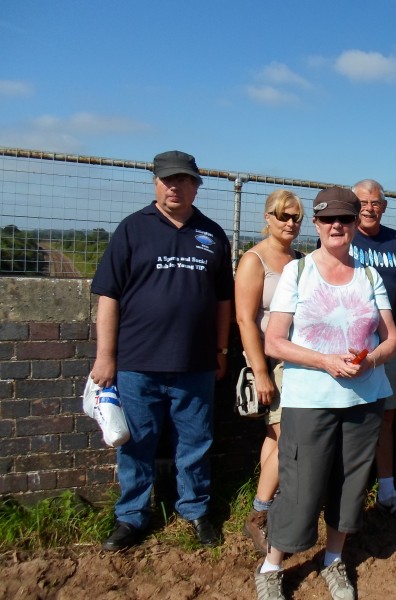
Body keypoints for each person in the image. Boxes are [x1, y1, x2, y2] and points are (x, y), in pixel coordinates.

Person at [255, 187, 396, 600]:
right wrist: (326, 361)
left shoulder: (369, 276)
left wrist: (369, 360)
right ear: (315, 225)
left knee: (350, 485)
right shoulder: (297, 274)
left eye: (346, 219)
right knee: (301, 487)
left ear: (356, 224)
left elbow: (388, 339)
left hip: (364, 399)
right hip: (309, 401)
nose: (337, 226)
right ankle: (271, 565)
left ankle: (333, 559)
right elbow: (275, 342)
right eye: (327, 219)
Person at [91, 150, 234, 550]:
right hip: (137, 362)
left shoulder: (212, 234)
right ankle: (132, 517)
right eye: (168, 179)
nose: (175, 186)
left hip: (196, 362)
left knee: (196, 442)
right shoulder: (132, 229)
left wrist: (221, 349)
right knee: (136, 443)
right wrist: (106, 357)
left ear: (196, 185)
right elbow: (108, 296)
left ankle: (196, 509)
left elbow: (224, 300)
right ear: (155, 182)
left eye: (184, 180)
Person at [235, 189, 304, 554]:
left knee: (275, 438)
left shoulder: (298, 260)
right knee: (289, 435)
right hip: (271, 363)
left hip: (295, 361)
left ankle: (269, 506)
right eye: (283, 216)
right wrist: (259, 370)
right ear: (267, 217)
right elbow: (245, 318)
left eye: (296, 217)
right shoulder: (254, 260)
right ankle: (260, 514)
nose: (290, 223)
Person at [349, 179, 396, 525]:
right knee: (350, 419)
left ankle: (388, 494)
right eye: (362, 201)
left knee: (388, 418)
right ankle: (348, 498)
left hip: (390, 343)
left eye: (375, 202)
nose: (368, 207)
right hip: (353, 344)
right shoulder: (343, 233)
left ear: (384, 206)